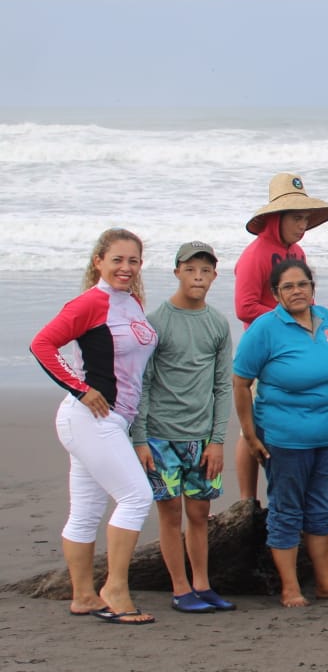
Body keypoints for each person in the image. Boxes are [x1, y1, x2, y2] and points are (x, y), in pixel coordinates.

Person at [31, 228, 159, 624]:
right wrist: (81, 388)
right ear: (98, 262)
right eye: (117, 260)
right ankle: (115, 589)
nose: (125, 267)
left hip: (113, 421)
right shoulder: (90, 303)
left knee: (86, 510)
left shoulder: (133, 302)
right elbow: (42, 345)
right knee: (137, 498)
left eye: (133, 260)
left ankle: (84, 595)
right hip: (90, 417)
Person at [233, 258, 328, 607]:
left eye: (302, 284)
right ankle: (290, 588)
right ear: (276, 293)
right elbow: (240, 381)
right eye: (288, 287)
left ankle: (324, 583)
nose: (297, 291)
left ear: (312, 287)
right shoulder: (264, 328)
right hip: (284, 437)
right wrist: (249, 434)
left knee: (322, 509)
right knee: (287, 510)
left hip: (327, 434)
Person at [129, 241, 236, 614]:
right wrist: (139, 438)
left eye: (205, 271)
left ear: (214, 276)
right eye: (191, 270)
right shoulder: (157, 322)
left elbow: (223, 386)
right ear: (177, 272)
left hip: (201, 437)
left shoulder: (217, 323)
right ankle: (180, 588)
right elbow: (142, 384)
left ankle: (203, 584)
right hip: (161, 435)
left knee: (200, 514)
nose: (198, 277)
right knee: (170, 514)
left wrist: (217, 440)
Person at [232, 172, 328, 502]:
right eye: (296, 218)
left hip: (299, 345)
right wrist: (285, 319)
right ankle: (248, 500)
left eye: (305, 218)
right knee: (252, 427)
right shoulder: (255, 254)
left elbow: (307, 300)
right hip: (264, 351)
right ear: (276, 218)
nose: (302, 225)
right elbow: (244, 307)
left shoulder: (298, 255)